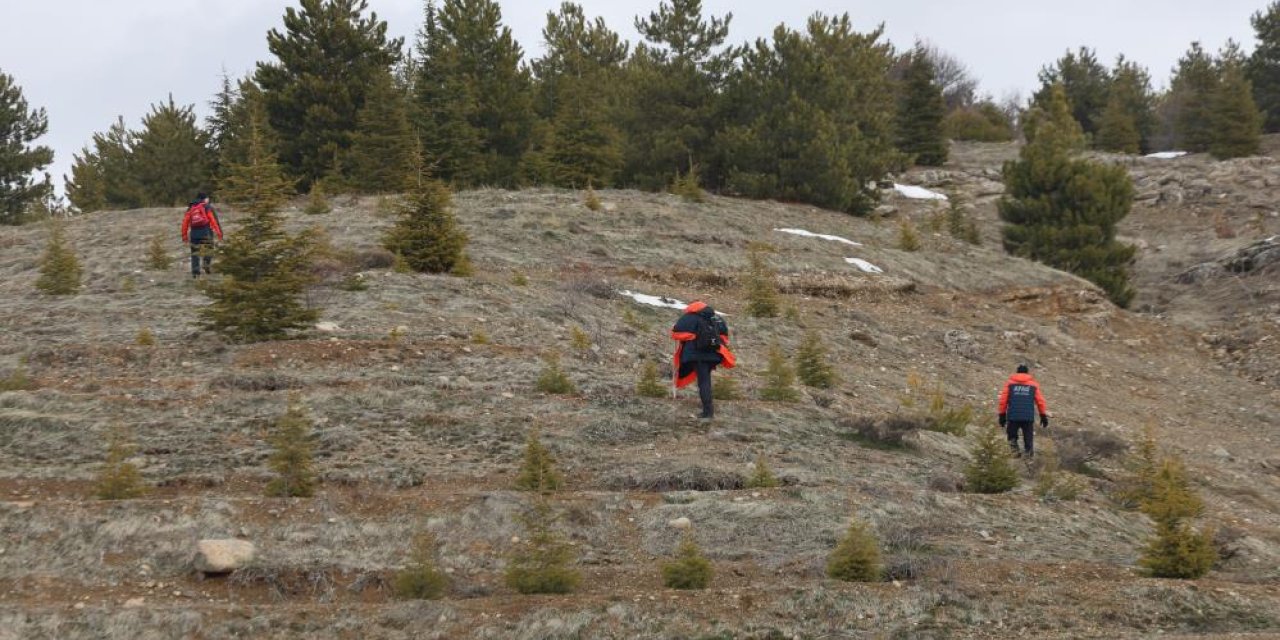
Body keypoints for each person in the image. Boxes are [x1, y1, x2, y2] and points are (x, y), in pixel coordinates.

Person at [670, 301, 736, 420]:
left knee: (703, 382)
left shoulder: (689, 318)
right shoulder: (716, 318)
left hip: (696, 354)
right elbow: (724, 338)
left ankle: (708, 412)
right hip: (713, 355)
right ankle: (708, 409)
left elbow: (676, 334)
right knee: (706, 380)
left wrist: (692, 337)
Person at [997, 364, 1050, 458]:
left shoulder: (1010, 384)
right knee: (1028, 437)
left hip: (1013, 416)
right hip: (1028, 417)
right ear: (1027, 373)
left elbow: (1003, 401)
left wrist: (1002, 415)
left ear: (1017, 372)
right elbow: (1040, 401)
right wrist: (1043, 415)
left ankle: (1015, 454)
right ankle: (1029, 457)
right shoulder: (1033, 385)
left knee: (1012, 436)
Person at [180, 192, 223, 278]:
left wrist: (184, 235)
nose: (208, 200)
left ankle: (195, 273)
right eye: (207, 198)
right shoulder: (206, 207)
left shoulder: (191, 208)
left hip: (194, 234)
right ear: (204, 199)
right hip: (205, 232)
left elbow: (185, 223)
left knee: (195, 253)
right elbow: (213, 220)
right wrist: (219, 232)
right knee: (209, 249)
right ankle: (206, 265)